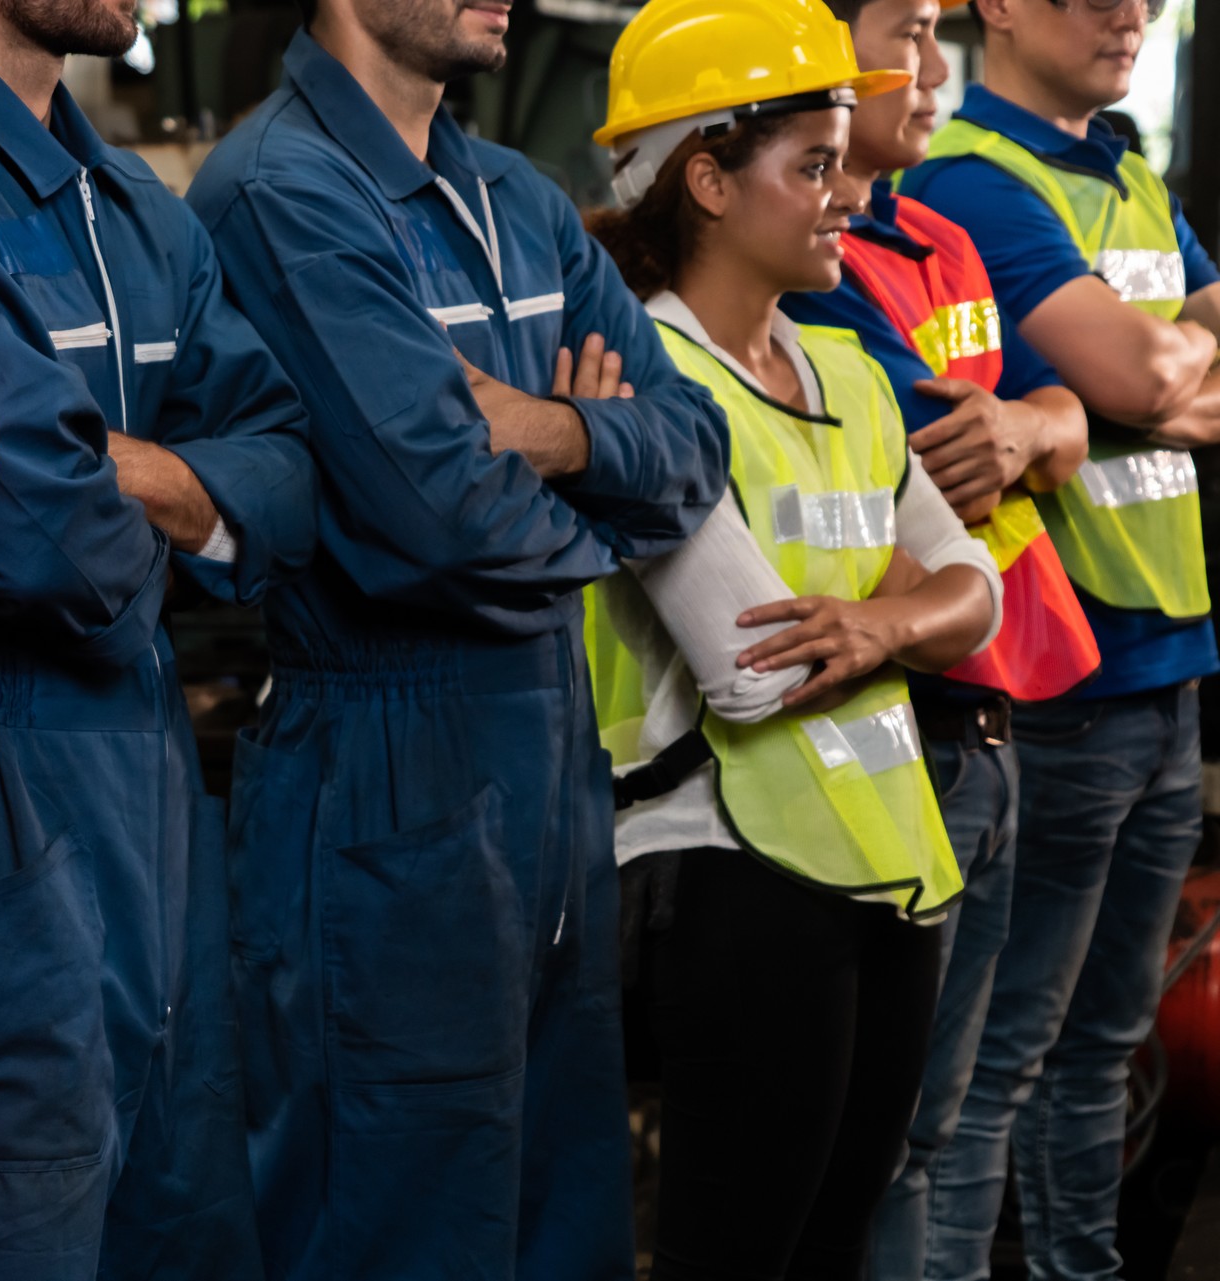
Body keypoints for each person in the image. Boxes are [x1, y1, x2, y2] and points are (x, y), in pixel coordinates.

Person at [186, 0, 731, 1268]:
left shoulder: (518, 199)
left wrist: (551, 433)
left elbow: (697, 445)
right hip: (383, 771)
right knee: (397, 1227)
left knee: (561, 1220)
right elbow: (438, 520)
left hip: (544, 770)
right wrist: (605, 514)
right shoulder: (283, 193)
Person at [0, 0, 313, 1274]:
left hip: (153, 807)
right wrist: (189, 494)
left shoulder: (131, 201)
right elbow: (40, 537)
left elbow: (294, 480)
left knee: (184, 1229)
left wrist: (123, 476)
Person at [585, 0, 1005, 1272]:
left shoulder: (850, 376)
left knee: (829, 1248)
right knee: (738, 1252)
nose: (845, 194)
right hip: (723, 872)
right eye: (812, 164)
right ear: (705, 179)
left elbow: (973, 588)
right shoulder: (646, 376)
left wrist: (877, 620)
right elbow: (754, 674)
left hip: (883, 860)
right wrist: (909, 618)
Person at [897, 0, 1220, 1268]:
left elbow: (1145, 373)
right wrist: (1160, 373)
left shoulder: (1129, 174)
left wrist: (1148, 373)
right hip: (1063, 684)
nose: (1126, 12)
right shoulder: (982, 179)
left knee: (1103, 1052)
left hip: (1171, 671)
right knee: (998, 1072)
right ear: (1000, 9)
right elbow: (1145, 378)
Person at [776, 0, 1094, 1270]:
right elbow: (948, 453)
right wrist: (1037, 427)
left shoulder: (942, 237)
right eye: (904, 28)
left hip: (998, 711)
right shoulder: (809, 287)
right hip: (899, 731)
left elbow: (1039, 418)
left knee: (958, 1121)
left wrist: (1036, 426)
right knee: (887, 1140)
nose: (930, 63)